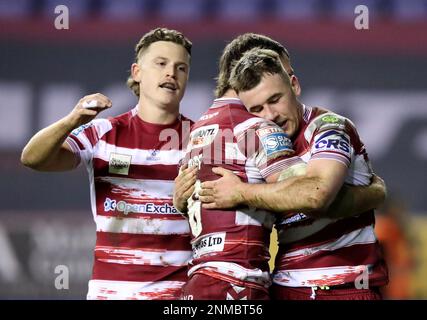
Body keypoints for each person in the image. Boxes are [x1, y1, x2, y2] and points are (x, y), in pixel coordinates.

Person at [198, 45, 389, 300]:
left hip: (342, 288)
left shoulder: (328, 127)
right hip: (284, 288)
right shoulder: (260, 144)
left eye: (275, 99)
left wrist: (242, 192)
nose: (271, 115)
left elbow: (316, 197)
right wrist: (182, 194)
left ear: (294, 86)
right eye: (257, 109)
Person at [20, 28, 194, 300]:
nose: (171, 73)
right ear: (137, 72)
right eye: (161, 64)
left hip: (179, 298)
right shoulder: (102, 132)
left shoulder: (203, 140)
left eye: (181, 67)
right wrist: (72, 121)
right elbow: (32, 158)